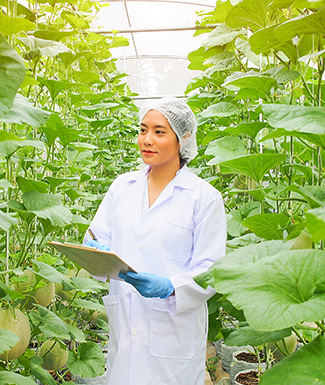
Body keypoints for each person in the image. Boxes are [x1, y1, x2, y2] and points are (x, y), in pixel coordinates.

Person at [84, 98, 227, 385]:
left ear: (183, 139)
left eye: (159, 132)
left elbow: (212, 268)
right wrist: (93, 252)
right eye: (143, 130)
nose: (147, 140)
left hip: (172, 333)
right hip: (125, 328)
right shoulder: (122, 187)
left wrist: (172, 286)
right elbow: (96, 238)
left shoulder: (203, 197)